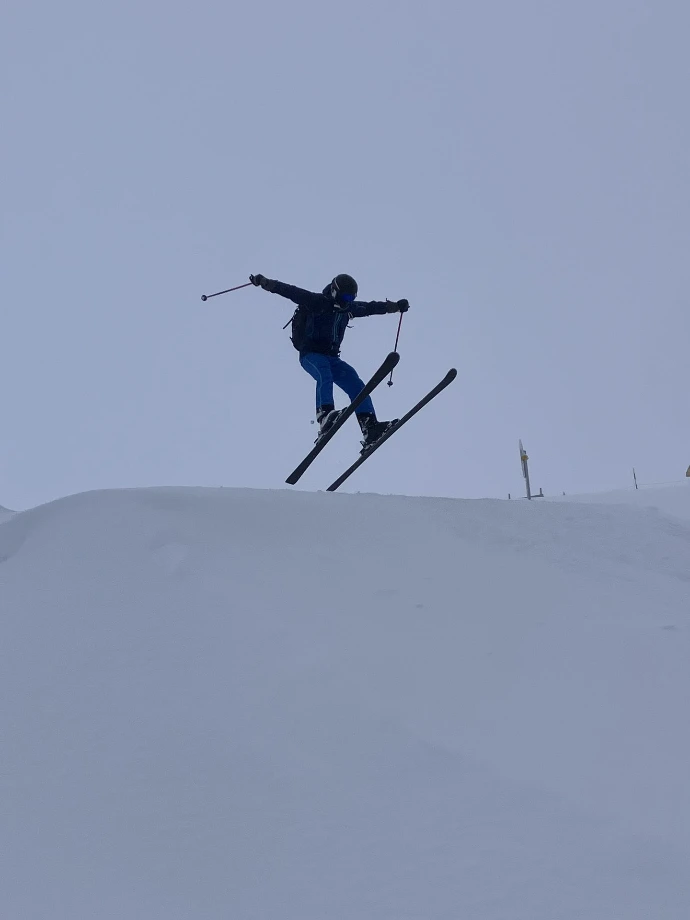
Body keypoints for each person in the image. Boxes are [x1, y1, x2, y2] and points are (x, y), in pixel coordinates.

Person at [250, 273, 410, 451]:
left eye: (351, 298)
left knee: (355, 383)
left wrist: (395, 307)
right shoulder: (317, 302)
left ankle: (370, 427)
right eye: (345, 297)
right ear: (334, 291)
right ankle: (324, 415)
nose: (348, 301)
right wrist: (265, 283)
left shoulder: (347, 308)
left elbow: (370, 307)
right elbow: (290, 291)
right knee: (323, 372)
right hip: (310, 355)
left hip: (333, 357)